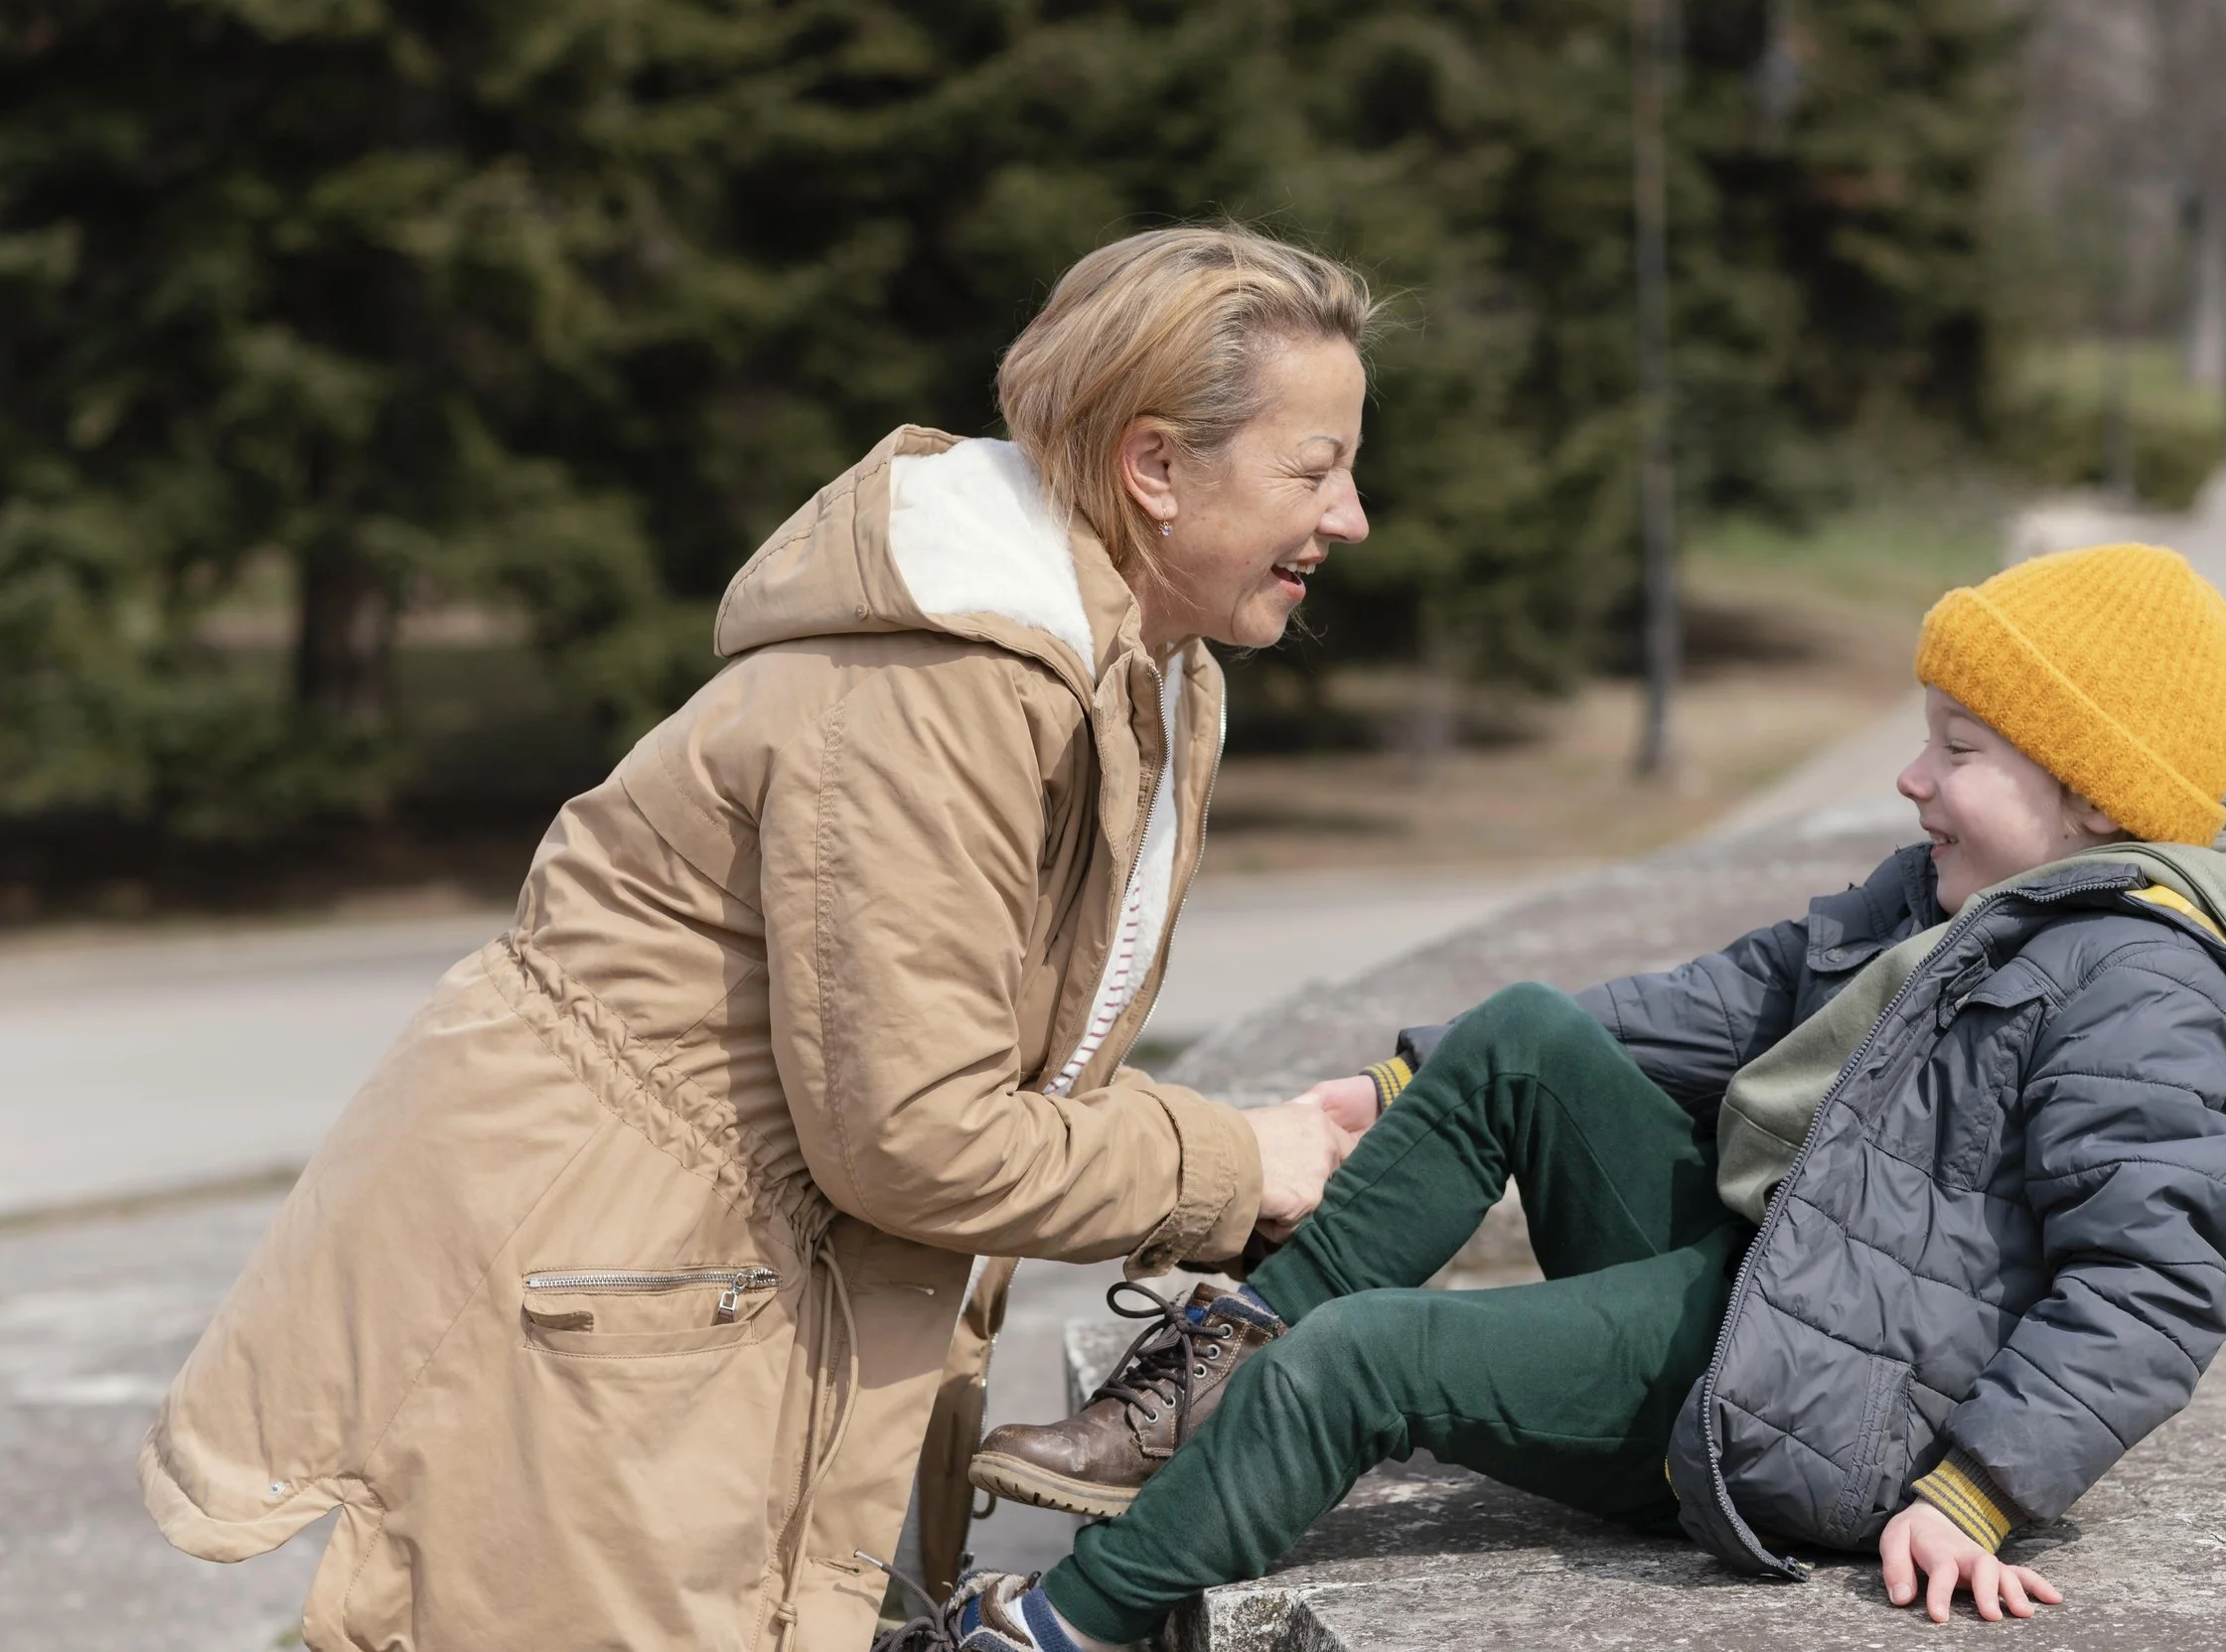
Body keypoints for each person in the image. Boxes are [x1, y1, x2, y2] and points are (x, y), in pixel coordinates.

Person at [135, 225, 1374, 1652]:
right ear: (1157, 468)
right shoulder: (946, 692)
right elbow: (915, 1132)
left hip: (678, 1296)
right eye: (1314, 466)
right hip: (604, 1304)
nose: (1349, 516)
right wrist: (1232, 1163)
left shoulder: (1149, 676)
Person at [939, 541, 2226, 1650]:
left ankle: (1055, 1626)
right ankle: (1213, 1375)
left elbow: (2151, 1284)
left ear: (2095, 796)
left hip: (1804, 1397)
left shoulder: (2147, 988)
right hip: (1776, 1279)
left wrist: (1979, 1488)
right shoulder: (1959, 895)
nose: (1913, 778)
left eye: (1961, 751)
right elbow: (1734, 994)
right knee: (1522, 1032)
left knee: (1366, 1355)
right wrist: (1402, 1080)